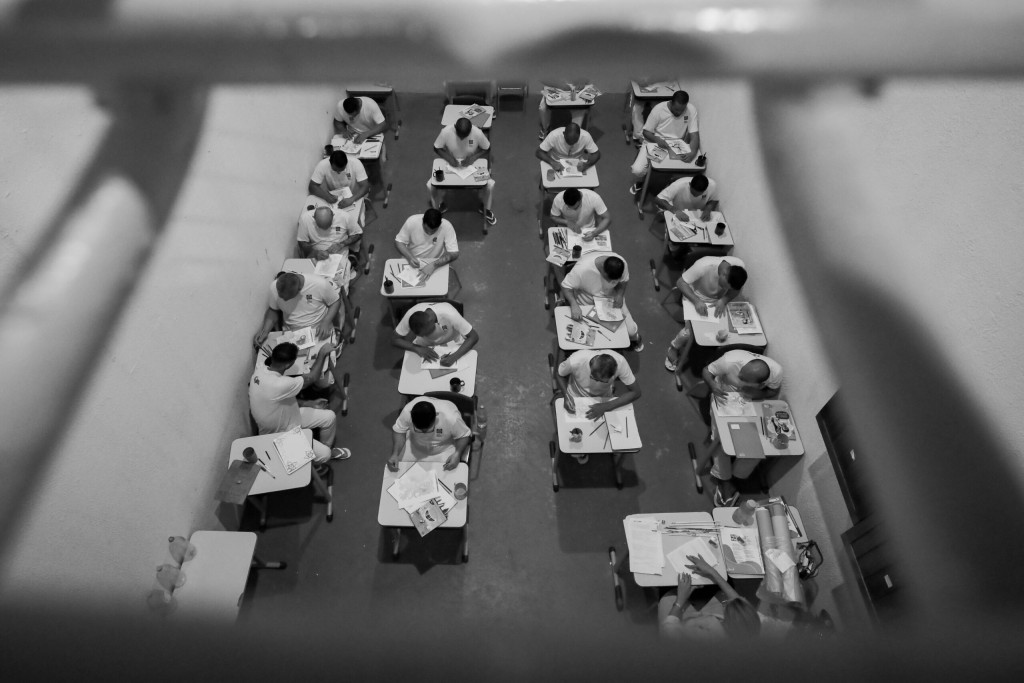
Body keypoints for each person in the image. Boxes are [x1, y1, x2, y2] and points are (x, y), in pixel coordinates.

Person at [249, 341, 352, 464]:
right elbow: (311, 378)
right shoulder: (281, 384)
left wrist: (307, 403)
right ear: (288, 365)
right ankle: (321, 458)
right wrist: (322, 353)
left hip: (289, 417)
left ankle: (323, 450)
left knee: (329, 417)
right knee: (325, 454)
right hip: (279, 434)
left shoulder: (260, 370)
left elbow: (280, 399)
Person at [701, 350, 783, 506]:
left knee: (758, 447)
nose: (739, 379)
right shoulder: (729, 361)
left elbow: (772, 390)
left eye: (744, 380)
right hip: (723, 396)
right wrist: (713, 386)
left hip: (751, 401)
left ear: (760, 384)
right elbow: (706, 371)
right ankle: (724, 480)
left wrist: (755, 394)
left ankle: (736, 476)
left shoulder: (776, 372)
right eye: (740, 376)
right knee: (721, 440)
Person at [665, 255, 747, 373]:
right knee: (689, 331)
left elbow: (736, 289)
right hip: (694, 297)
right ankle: (674, 347)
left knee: (725, 328)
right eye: (725, 286)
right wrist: (696, 301)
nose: (725, 288)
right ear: (724, 274)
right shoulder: (703, 266)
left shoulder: (739, 266)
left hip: (717, 300)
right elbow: (680, 283)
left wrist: (724, 300)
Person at [555, 350, 642, 461]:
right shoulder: (577, 360)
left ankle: (607, 447)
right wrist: (567, 396)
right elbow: (559, 374)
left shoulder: (620, 362)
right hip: (576, 396)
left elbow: (636, 392)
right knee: (577, 437)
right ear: (592, 364)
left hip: (604, 399)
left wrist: (606, 406)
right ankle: (581, 452)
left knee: (607, 435)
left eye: (603, 381)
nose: (597, 382)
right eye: (594, 378)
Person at [658, 555, 761, 641]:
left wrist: (680, 600)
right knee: (725, 585)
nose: (726, 603)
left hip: (685, 624)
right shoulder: (749, 629)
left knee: (667, 594)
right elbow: (739, 604)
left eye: (726, 605)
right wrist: (712, 572)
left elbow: (669, 626)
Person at [560, 252, 644, 352]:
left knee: (631, 331)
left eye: (615, 281)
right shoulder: (582, 269)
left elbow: (624, 281)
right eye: (609, 280)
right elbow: (566, 286)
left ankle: (635, 339)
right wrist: (574, 304)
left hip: (612, 300)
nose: (612, 283)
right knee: (586, 338)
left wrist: (620, 295)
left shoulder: (622, 264)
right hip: (586, 301)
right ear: (603, 271)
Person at [252, 271, 352, 351]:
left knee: (320, 358)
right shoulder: (274, 287)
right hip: (291, 333)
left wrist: (326, 322)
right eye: (281, 297)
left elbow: (335, 302)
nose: (283, 300)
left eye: (287, 298)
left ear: (299, 290)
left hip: (317, 330)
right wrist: (265, 331)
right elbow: (273, 310)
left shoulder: (319, 284)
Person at [428, 116, 496, 225]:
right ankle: (440, 205)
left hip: (472, 164)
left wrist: (473, 158)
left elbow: (487, 148)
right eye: (460, 135)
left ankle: (485, 209)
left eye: (465, 135)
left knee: (489, 185)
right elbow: (436, 147)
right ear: (455, 128)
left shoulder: (477, 133)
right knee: (430, 185)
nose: (462, 138)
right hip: (451, 163)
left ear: (471, 130)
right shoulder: (446, 132)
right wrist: (449, 158)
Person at [630, 91, 700, 195]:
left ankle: (653, 181)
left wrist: (693, 152)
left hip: (676, 144)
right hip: (656, 142)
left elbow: (694, 135)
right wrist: (658, 140)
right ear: (671, 102)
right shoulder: (659, 109)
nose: (679, 113)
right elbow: (646, 132)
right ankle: (646, 179)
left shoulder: (691, 109)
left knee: (682, 166)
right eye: (676, 110)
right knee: (638, 170)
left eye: (682, 110)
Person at [388, 396, 473, 472]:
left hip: (444, 449)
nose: (424, 433)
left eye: (428, 430)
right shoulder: (407, 412)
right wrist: (395, 453)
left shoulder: (451, 417)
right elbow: (399, 431)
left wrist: (457, 454)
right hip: (415, 446)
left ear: (436, 416)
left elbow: (464, 436)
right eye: (419, 430)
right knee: (400, 472)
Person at [394, 208, 461, 298]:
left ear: (440, 224)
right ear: (422, 221)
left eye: (434, 231)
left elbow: (455, 253)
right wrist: (409, 257)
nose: (429, 233)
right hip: (412, 259)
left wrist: (434, 265)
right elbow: (399, 241)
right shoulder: (412, 221)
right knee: (405, 291)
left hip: (435, 260)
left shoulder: (447, 226)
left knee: (436, 292)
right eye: (426, 229)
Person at [295, 206, 363, 291]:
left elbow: (358, 234)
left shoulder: (344, 216)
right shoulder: (305, 219)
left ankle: (343, 295)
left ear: (333, 215)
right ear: (313, 218)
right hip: (316, 252)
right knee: (312, 284)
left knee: (339, 284)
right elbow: (302, 242)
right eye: (321, 227)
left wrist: (341, 244)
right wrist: (315, 252)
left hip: (339, 251)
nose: (325, 230)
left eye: (328, 226)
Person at [392, 302, 479, 368]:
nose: (424, 336)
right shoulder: (411, 315)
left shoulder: (450, 314)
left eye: (426, 333)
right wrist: (416, 348)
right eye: (421, 335)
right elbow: (394, 339)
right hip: (424, 346)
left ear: (432, 321)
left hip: (453, 343)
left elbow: (474, 336)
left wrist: (454, 357)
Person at [306, 151, 370, 224]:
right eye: (335, 170)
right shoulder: (323, 165)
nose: (338, 172)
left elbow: (366, 186)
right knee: (334, 220)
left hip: (355, 195)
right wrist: (326, 196)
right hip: (335, 197)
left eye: (341, 170)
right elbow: (312, 186)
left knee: (354, 220)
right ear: (330, 163)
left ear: (346, 163)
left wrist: (352, 199)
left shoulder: (355, 163)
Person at [536, 123, 601, 173]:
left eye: (574, 141)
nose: (571, 144)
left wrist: (586, 165)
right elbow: (539, 152)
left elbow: (597, 154)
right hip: (556, 161)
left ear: (579, 136)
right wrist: (552, 162)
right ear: (563, 133)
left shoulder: (586, 136)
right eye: (568, 141)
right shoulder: (554, 135)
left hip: (577, 163)